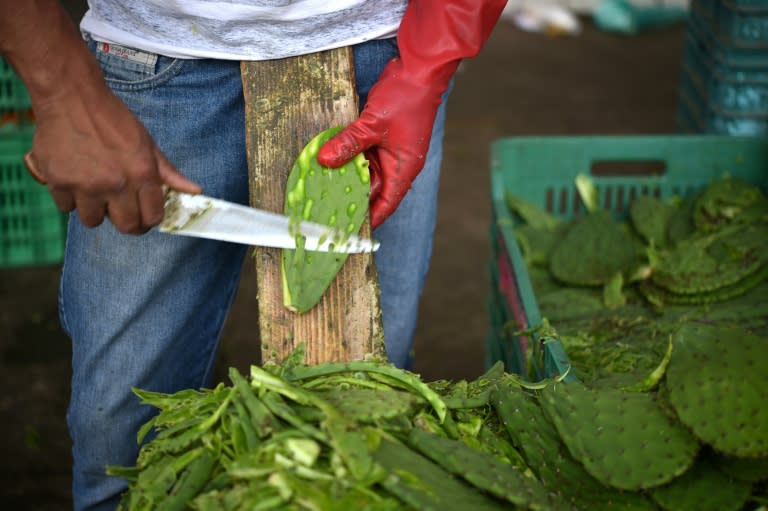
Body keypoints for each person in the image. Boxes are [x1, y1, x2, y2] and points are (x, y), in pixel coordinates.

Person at [0, 1, 506, 509]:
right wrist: (63, 93)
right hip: (155, 53)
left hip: (385, 55)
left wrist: (429, 63)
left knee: (368, 422)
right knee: (120, 443)